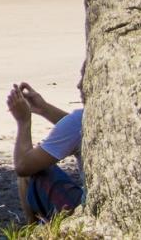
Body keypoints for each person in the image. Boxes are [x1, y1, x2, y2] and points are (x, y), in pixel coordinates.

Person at [6, 82, 84, 223]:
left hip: (85, 210)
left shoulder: (80, 120)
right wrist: (44, 109)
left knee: (32, 169)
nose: (79, 85)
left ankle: (31, 230)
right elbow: (79, 129)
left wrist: (23, 121)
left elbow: (23, 166)